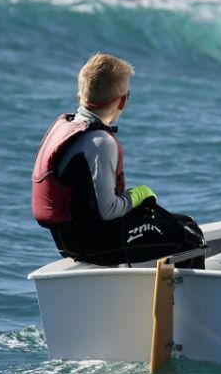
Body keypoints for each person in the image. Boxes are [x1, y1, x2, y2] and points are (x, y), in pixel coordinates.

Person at [32, 53, 205, 267]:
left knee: (180, 224)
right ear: (123, 100)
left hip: (68, 238)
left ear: (80, 96)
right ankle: (189, 301)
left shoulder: (66, 126)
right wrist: (138, 195)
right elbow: (109, 209)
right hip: (91, 242)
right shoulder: (99, 142)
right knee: (189, 235)